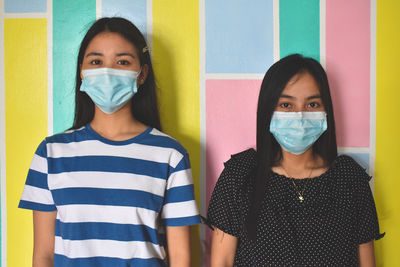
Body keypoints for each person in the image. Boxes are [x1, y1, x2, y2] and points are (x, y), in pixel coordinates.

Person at [19, 17, 200, 267]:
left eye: (122, 61)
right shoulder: (50, 154)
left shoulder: (170, 155)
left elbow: (181, 258)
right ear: (82, 72)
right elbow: (43, 256)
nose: (107, 71)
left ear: (142, 74)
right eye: (96, 61)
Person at [207, 54, 384, 266]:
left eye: (312, 104)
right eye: (286, 105)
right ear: (267, 110)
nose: (300, 117)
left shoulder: (349, 179)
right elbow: (222, 261)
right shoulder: (240, 175)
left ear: (326, 110)